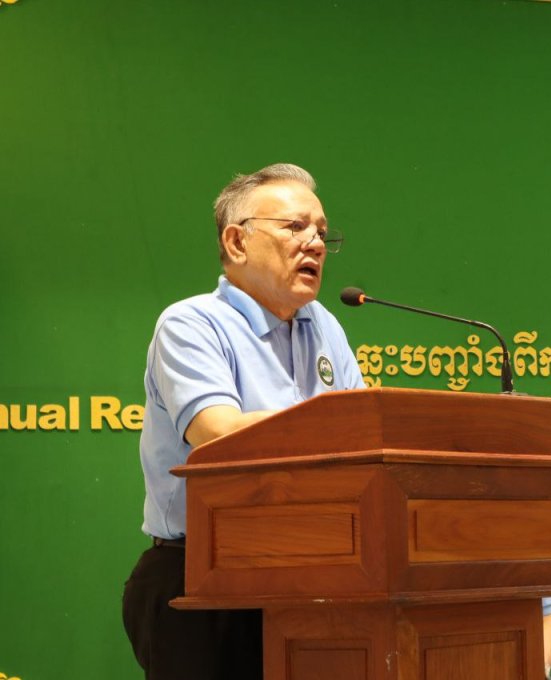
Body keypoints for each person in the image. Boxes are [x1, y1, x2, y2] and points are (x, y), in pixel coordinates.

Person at [122, 163, 365, 680]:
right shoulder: (192, 323)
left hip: (316, 573)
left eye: (322, 232)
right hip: (203, 579)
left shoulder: (326, 326)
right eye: (295, 227)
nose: (315, 244)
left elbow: (365, 436)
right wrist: (332, 429)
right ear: (236, 242)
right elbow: (218, 434)